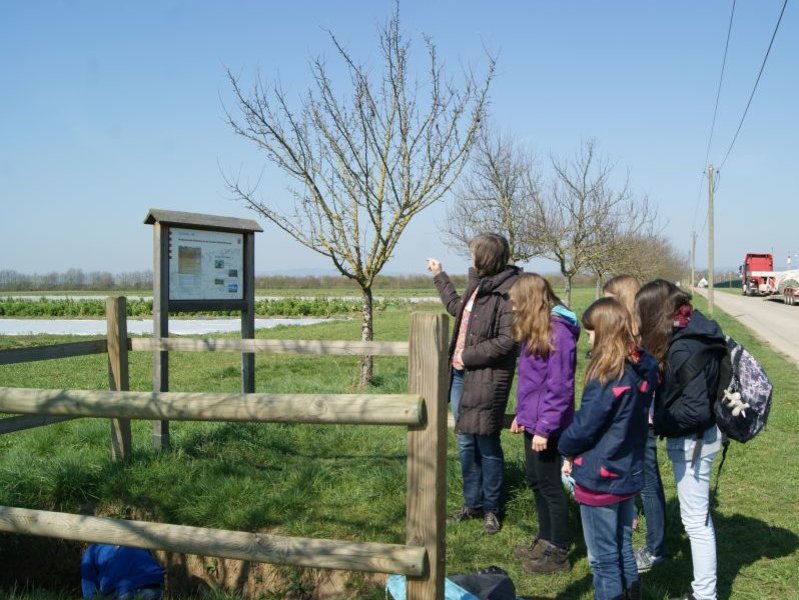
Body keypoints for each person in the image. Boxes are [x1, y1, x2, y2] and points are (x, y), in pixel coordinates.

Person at [559, 298, 658, 600]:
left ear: (603, 334)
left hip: (601, 476)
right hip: (626, 471)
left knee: (603, 560)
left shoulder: (607, 378)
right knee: (622, 546)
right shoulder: (640, 370)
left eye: (590, 332)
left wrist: (564, 447)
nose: (587, 337)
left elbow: (585, 427)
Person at [427, 233, 521, 534]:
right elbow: (458, 310)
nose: (470, 256)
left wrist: (466, 355)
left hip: (487, 377)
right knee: (465, 440)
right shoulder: (478, 283)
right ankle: (472, 504)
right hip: (458, 376)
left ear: (486, 256)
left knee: (487, 442)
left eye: (473, 252)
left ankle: (492, 509)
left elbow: (508, 341)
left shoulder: (509, 290)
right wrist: (439, 276)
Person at [635, 280, 724, 600]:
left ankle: (705, 595)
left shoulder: (682, 346)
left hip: (693, 442)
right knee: (698, 519)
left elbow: (696, 409)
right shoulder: (696, 326)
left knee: (696, 523)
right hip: (703, 437)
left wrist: (657, 421)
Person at [508, 273, 579, 573]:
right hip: (534, 422)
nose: (512, 308)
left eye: (516, 302)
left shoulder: (559, 334)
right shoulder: (535, 331)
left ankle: (559, 551)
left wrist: (544, 428)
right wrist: (521, 417)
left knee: (550, 486)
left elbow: (559, 387)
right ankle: (544, 539)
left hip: (549, 426)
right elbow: (531, 383)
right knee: (536, 482)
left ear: (530, 300)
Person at [603, 275, 667, 573]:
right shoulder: (636, 331)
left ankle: (655, 549)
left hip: (643, 419)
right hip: (636, 417)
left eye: (609, 299)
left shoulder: (636, 337)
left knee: (648, 484)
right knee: (645, 483)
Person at [81, 543, 165, 600]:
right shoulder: (135, 539)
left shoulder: (92, 550)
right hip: (152, 584)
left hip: (122, 589)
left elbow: (89, 589)